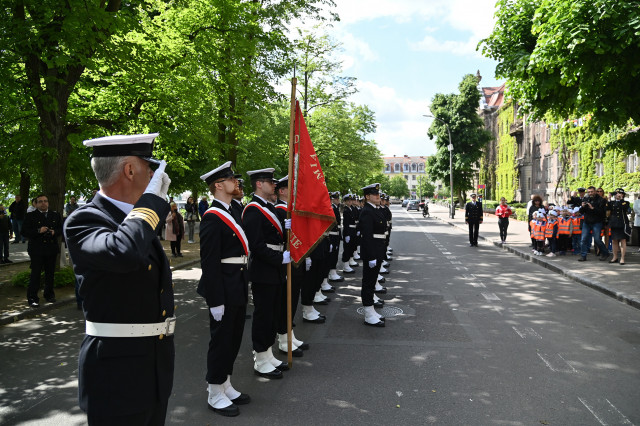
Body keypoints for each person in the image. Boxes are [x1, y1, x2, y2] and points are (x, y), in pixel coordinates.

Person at [63, 133, 175, 425]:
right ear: (129, 170)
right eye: (149, 168)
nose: (153, 176)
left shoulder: (136, 219)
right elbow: (123, 252)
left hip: (152, 369)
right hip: (116, 379)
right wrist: (151, 203)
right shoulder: (84, 220)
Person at [198, 162, 251, 416]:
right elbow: (209, 262)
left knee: (234, 338)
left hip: (238, 283)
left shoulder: (234, 210)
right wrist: (215, 300)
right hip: (223, 288)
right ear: (218, 185)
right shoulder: (211, 217)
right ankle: (214, 391)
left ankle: (226, 383)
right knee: (220, 341)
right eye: (231, 179)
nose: (236, 182)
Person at [242, 168, 290, 379]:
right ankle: (260, 358)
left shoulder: (267, 207)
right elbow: (257, 245)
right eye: (270, 182)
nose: (274, 185)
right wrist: (280, 258)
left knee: (272, 313)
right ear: (259, 184)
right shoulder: (253, 210)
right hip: (264, 269)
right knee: (263, 315)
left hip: (275, 268)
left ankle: (268, 354)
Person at [273, 175, 309, 355]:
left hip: (295, 260)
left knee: (293, 298)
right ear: (281, 191)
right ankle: (283, 339)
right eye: (290, 188)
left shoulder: (289, 210)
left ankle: (290, 334)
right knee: (286, 302)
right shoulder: (279, 211)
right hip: (286, 262)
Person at [22, 194, 62, 307]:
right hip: (37, 250)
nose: (43, 203)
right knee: (35, 274)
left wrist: (55, 232)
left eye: (45, 201)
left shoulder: (55, 215)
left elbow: (61, 229)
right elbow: (24, 232)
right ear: (36, 204)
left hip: (51, 249)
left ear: (48, 203)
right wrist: (38, 230)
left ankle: (49, 295)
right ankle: (32, 298)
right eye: (40, 201)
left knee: (50, 274)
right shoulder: (30, 216)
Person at [358, 183, 386, 327]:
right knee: (368, 282)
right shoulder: (367, 211)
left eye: (378, 194)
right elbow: (367, 236)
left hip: (377, 249)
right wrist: (371, 256)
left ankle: (372, 310)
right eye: (374, 194)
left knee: (372, 280)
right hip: (372, 251)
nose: (378, 196)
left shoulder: (374, 209)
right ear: (367, 197)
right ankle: (368, 313)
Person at [578, 186, 608, 261]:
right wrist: (582, 207)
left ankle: (605, 253)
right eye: (589, 192)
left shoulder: (601, 200)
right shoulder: (586, 198)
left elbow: (602, 213)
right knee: (583, 239)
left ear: (595, 191)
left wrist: (593, 208)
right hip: (587, 221)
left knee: (597, 239)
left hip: (597, 222)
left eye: (591, 192)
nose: (590, 193)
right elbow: (581, 212)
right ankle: (583, 256)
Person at [607, 188, 632, 265]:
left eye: (619, 193)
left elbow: (625, 208)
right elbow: (607, 209)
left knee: (623, 240)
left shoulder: (625, 202)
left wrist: (621, 199)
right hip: (614, 223)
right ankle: (615, 257)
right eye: (616, 194)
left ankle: (622, 258)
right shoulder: (612, 202)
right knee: (614, 240)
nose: (617, 195)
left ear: (622, 195)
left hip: (622, 223)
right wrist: (609, 199)